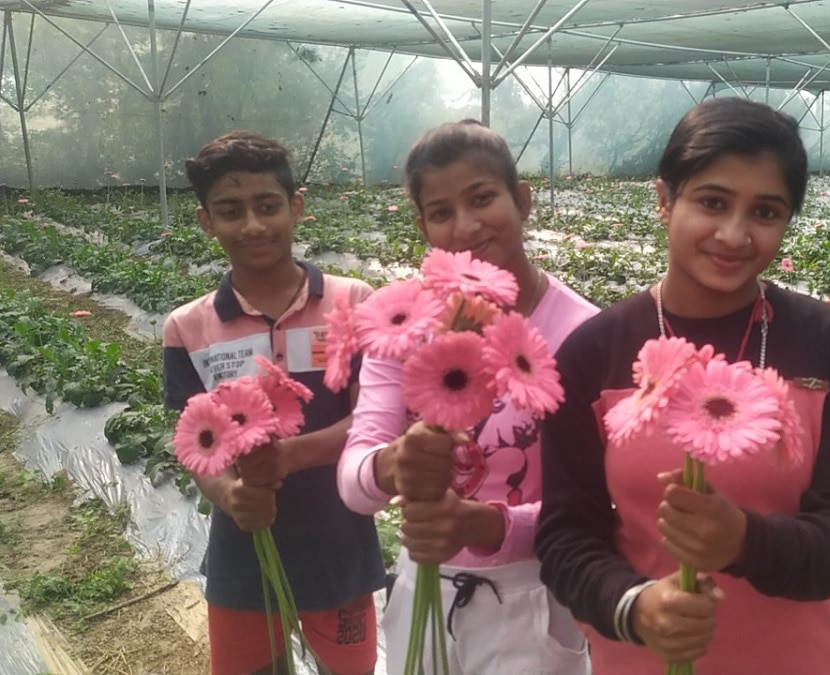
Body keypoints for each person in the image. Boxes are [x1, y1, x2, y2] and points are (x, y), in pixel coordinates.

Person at [535, 97, 830, 674]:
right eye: (712, 201)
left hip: (810, 657)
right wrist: (636, 606)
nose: (733, 234)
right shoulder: (594, 353)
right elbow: (566, 534)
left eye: (765, 212)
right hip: (647, 657)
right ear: (664, 199)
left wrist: (744, 540)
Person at [337, 120, 597, 675]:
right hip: (421, 584)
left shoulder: (582, 333)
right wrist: (389, 466)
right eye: (440, 211)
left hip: (531, 599)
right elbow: (354, 480)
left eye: (482, 199)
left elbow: (590, 509)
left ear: (522, 200)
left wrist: (485, 526)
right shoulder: (402, 320)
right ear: (423, 225)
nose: (465, 226)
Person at [163, 131, 386, 675]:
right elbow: (194, 442)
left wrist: (289, 456)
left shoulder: (354, 303)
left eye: (267, 206)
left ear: (297, 207)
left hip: (338, 544)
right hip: (244, 554)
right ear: (206, 221)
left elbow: (376, 418)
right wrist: (229, 493)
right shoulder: (187, 327)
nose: (253, 225)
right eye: (230, 211)